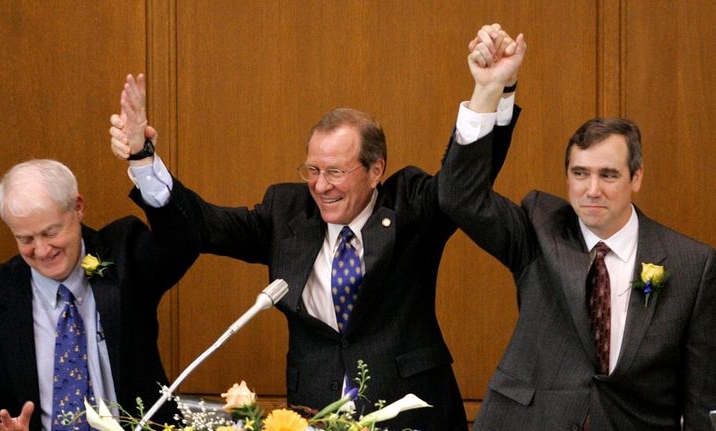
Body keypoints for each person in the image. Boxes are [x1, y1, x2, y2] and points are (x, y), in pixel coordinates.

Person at [108, 24, 522, 430]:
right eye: (312, 170)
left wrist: (490, 92)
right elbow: (203, 225)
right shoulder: (287, 213)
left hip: (413, 414)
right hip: (314, 416)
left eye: (336, 172)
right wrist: (143, 158)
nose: (320, 186)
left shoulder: (410, 204)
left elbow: (461, 185)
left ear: (375, 169)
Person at [438, 25, 716, 430]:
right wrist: (489, 90)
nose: (592, 190)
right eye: (580, 173)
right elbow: (459, 197)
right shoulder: (538, 230)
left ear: (636, 178)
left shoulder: (693, 263)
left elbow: (701, 394)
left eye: (608, 175)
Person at [0, 158, 203, 430]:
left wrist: (142, 159)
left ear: (78, 208)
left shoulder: (124, 256)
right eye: (26, 239)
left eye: (51, 232)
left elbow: (182, 243)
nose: (42, 250)